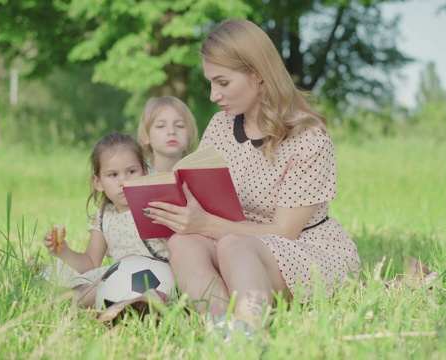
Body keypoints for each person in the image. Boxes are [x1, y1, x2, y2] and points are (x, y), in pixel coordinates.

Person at [142, 18, 361, 334]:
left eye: (223, 83)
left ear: (257, 76)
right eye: (210, 83)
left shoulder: (309, 137)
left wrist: (206, 224)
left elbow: (284, 231)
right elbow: (200, 196)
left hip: (303, 250)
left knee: (234, 245)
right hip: (229, 238)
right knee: (183, 242)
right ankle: (219, 324)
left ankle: (247, 329)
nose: (213, 95)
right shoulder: (220, 126)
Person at [42, 132, 170, 308]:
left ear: (145, 172)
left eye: (131, 172)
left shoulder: (155, 206)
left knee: (87, 293)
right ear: (98, 182)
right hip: (121, 279)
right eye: (113, 175)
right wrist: (63, 251)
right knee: (81, 292)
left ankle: (137, 303)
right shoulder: (103, 217)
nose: (123, 181)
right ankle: (119, 304)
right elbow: (90, 262)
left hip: (161, 278)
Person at [137, 96, 198, 173]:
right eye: (160, 126)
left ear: (189, 133)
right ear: (145, 136)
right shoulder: (138, 176)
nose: (172, 131)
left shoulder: (198, 176)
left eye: (180, 125)